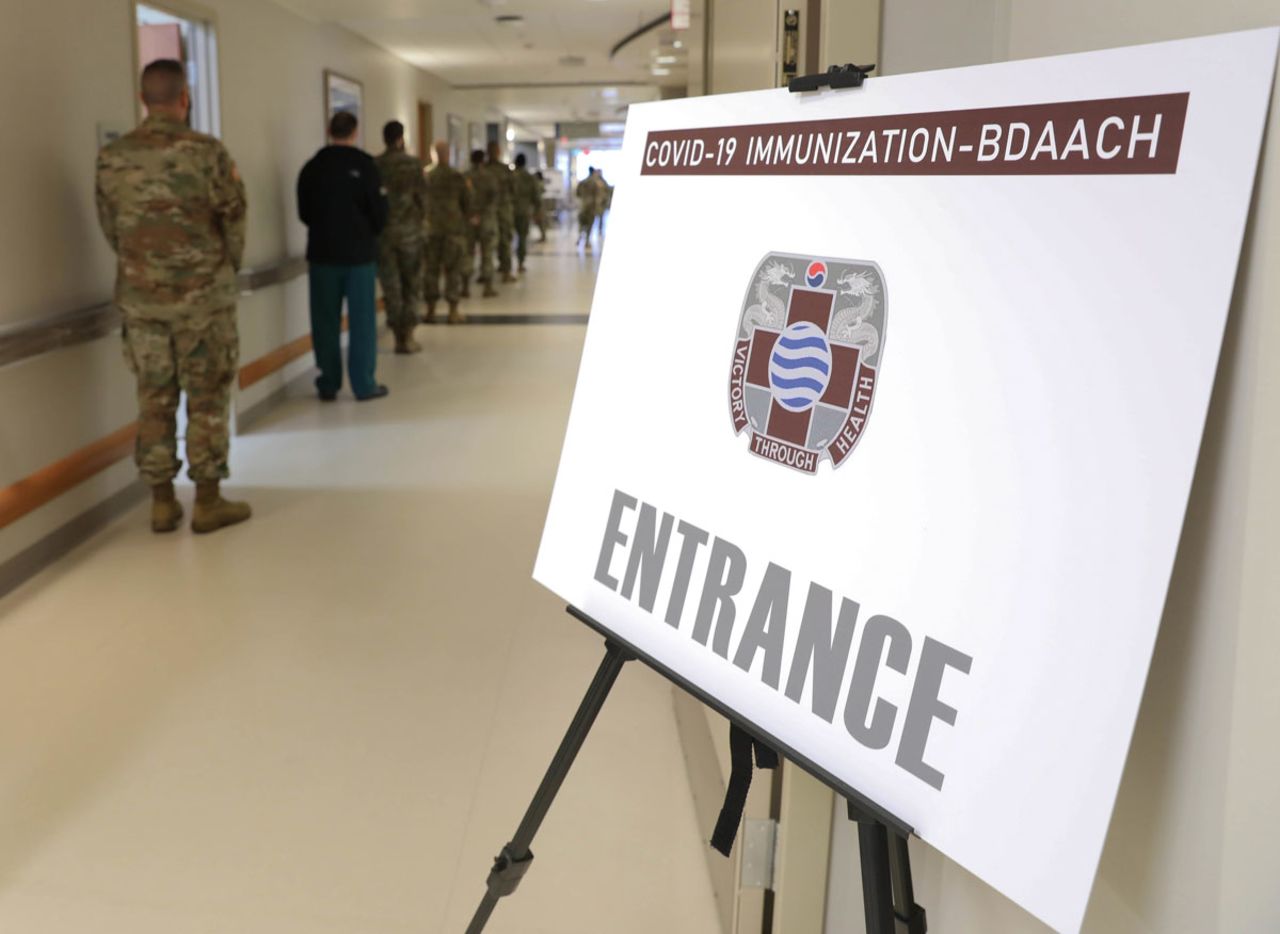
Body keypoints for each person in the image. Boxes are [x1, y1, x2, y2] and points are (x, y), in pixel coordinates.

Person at [95, 59, 251, 535]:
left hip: (142, 302)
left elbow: (111, 226)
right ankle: (207, 500)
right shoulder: (208, 153)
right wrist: (225, 270)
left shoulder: (112, 157)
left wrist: (144, 270)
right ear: (185, 97)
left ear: (144, 99)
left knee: (154, 397)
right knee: (206, 397)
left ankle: (161, 502)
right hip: (203, 301)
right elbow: (235, 218)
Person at [297, 111, 389, 401]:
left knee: (325, 320)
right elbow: (380, 213)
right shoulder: (366, 166)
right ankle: (363, 384)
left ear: (328, 130)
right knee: (363, 321)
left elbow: (305, 213)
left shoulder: (313, 167)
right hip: (359, 256)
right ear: (355, 132)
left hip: (323, 255)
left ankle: (328, 382)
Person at [373, 120, 427, 354]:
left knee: (391, 286)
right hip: (409, 236)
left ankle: (397, 334)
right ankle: (409, 335)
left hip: (383, 236)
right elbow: (423, 199)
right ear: (401, 138)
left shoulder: (375, 165)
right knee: (411, 284)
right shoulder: (414, 165)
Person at [424, 140, 470, 324]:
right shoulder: (457, 176)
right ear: (448, 154)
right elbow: (467, 203)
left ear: (433, 154)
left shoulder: (426, 175)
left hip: (431, 229)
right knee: (452, 270)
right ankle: (452, 311)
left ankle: (431, 310)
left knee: (431, 271)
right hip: (453, 230)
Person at [465, 149, 499, 298]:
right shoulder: (489, 176)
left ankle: (465, 287)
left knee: (468, 253)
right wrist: (482, 213)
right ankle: (488, 287)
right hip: (486, 218)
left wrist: (472, 214)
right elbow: (493, 198)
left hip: (469, 220)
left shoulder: (464, 176)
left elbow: (461, 199)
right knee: (487, 253)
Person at [486, 141, 517, 284]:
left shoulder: (499, 170)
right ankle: (498, 272)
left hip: (497, 210)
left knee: (498, 240)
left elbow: (513, 189)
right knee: (496, 240)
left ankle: (500, 270)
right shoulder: (489, 170)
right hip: (496, 210)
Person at [511, 153, 541, 274]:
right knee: (522, 237)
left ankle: (504, 264)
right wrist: (537, 212)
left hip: (508, 211)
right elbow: (536, 196)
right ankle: (520, 263)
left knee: (506, 238)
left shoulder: (510, 176)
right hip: (523, 211)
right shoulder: (529, 177)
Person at [576, 168, 600, 253]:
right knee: (589, 224)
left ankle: (579, 237)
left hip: (582, 206)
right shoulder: (595, 183)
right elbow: (597, 196)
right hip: (591, 207)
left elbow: (577, 193)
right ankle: (587, 242)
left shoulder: (582, 182)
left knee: (582, 223)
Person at [533, 170, 549, 242]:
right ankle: (543, 236)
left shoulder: (538, 184)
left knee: (541, 221)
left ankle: (543, 236)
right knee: (540, 221)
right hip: (539, 204)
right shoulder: (540, 183)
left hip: (538, 204)